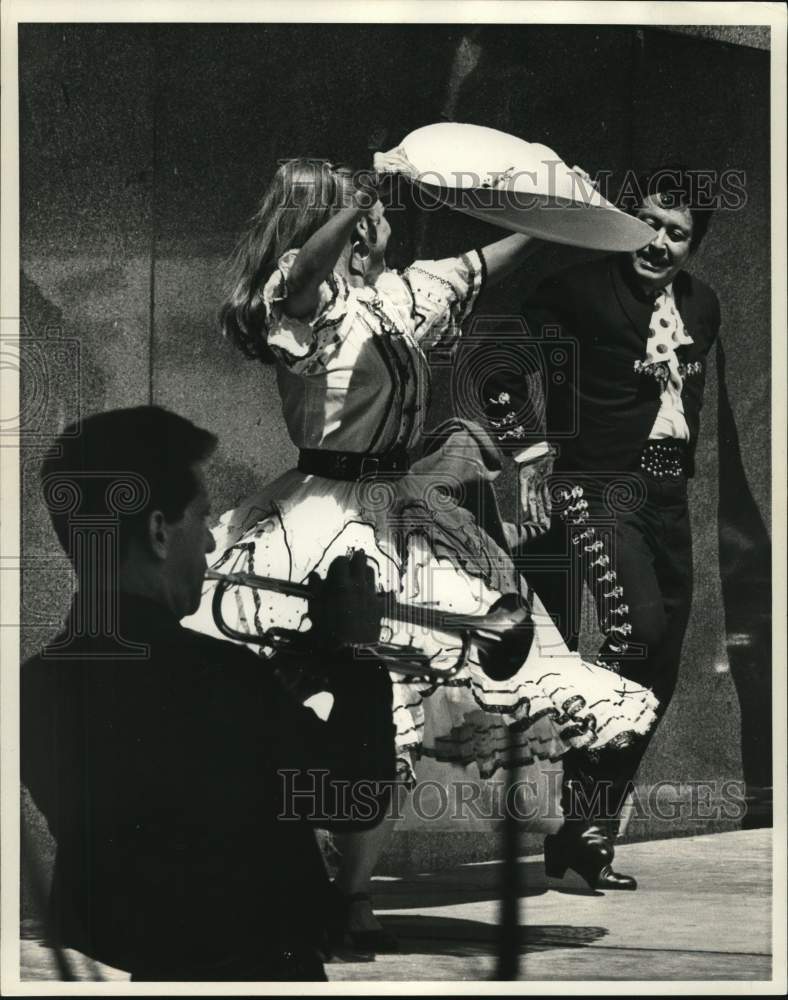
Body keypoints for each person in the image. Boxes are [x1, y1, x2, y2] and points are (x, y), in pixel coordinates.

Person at [188, 153, 659, 946]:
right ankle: (304, 874)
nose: (381, 218)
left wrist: (563, 205)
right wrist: (358, 198)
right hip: (319, 522)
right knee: (330, 708)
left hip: (403, 516)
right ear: (333, 220)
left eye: (369, 207)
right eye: (359, 210)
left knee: (408, 703)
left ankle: (352, 888)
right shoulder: (302, 304)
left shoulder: (401, 295)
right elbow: (300, 273)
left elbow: (500, 252)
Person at [20, 405, 397, 982]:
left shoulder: (37, 683)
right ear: (156, 531)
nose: (213, 541)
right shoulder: (215, 674)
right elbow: (356, 800)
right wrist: (356, 655)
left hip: (144, 962)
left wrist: (276, 691)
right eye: (201, 518)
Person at [485, 165, 720, 890]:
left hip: (667, 493)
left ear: (693, 243)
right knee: (635, 631)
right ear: (625, 222)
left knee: (662, 660)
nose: (659, 242)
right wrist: (526, 447)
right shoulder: (577, 290)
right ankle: (577, 817)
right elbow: (498, 362)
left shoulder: (702, 305)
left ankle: (588, 831)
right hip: (597, 485)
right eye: (647, 223)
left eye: (676, 233)